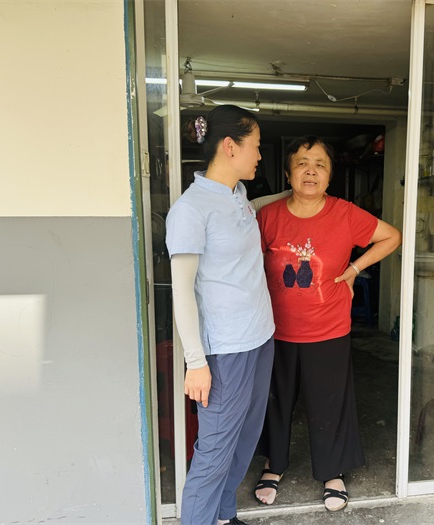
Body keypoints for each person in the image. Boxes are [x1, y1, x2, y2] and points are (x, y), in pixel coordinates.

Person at [254, 136, 402, 511]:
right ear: (288, 173)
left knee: (329, 403)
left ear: (330, 175)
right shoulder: (268, 217)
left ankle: (332, 471)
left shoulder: (345, 214)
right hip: (274, 330)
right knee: (275, 401)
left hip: (328, 329)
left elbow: (391, 237)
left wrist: (354, 268)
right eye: (302, 163)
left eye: (320, 164)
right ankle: (274, 464)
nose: (311, 171)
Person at [166, 105, 284, 525]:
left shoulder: (236, 196)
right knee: (215, 450)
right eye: (256, 146)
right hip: (224, 351)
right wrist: (195, 363)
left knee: (245, 437)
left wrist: (295, 193)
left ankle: (223, 516)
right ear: (230, 147)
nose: (260, 155)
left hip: (260, 338)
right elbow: (181, 291)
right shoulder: (190, 210)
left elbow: (255, 206)